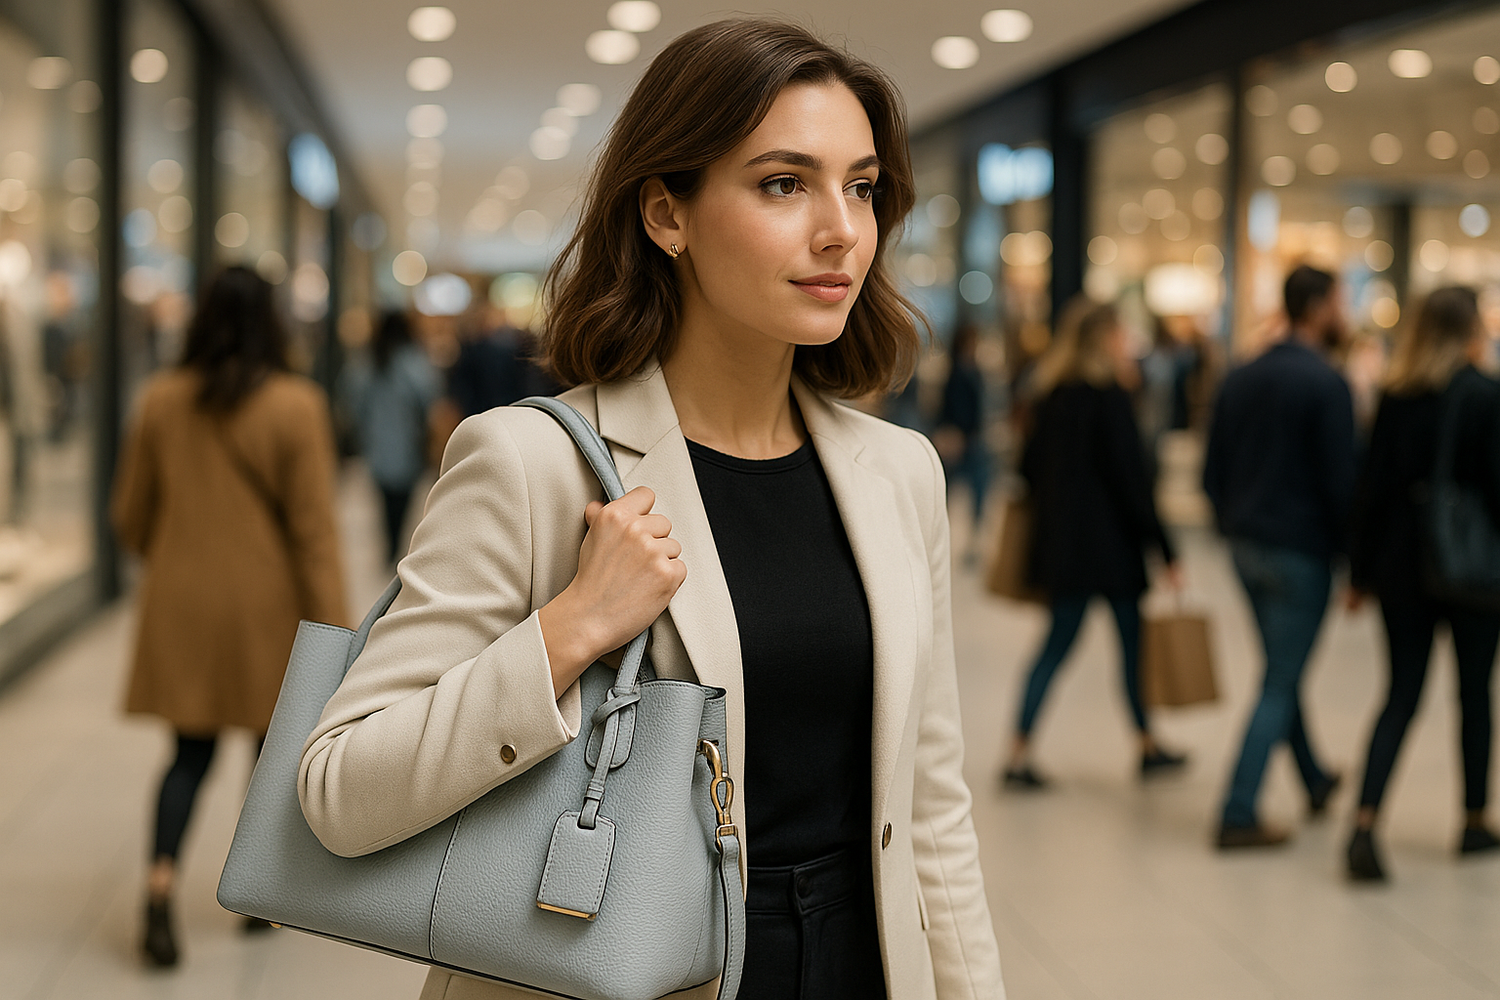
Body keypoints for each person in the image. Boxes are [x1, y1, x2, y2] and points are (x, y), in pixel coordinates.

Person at [295, 20, 1002, 1000]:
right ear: (667, 214)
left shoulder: (899, 472)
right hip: (622, 963)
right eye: (783, 183)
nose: (841, 227)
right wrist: (568, 630)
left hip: (862, 961)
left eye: (863, 185)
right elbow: (338, 789)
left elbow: (929, 809)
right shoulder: (533, 463)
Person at [111, 266, 347, 967]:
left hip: (180, 603)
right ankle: (253, 897)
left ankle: (158, 890)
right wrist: (337, 635)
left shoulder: (160, 401)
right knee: (268, 754)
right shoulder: (296, 405)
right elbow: (314, 536)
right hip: (264, 610)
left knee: (186, 755)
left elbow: (130, 518)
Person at [1345, 286, 1500, 880]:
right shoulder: (1484, 396)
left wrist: (1359, 573)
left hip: (1402, 567)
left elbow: (1370, 491)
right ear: (1471, 332)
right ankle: (1475, 819)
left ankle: (1364, 821)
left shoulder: (1396, 395)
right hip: (1473, 570)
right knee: (1475, 694)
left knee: (1401, 693)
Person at [1002, 297, 1186, 788]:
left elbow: (1025, 471)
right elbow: (1133, 482)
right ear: (1103, 338)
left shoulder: (1046, 395)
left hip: (1064, 547)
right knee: (1131, 647)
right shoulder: (1110, 397)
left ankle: (1018, 752)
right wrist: (1165, 550)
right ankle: (1147, 746)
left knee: (1055, 646)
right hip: (1113, 549)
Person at [1203, 264, 1353, 849]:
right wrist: (1352, 559)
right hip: (1300, 551)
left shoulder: (1242, 374)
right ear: (1317, 308)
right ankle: (1238, 811)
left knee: (1280, 668)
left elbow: (1214, 466)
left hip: (1247, 545)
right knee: (1279, 679)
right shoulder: (1326, 383)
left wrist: (1230, 522)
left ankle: (1313, 777)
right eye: (1340, 301)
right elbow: (1342, 484)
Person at [339, 310, 441, 564]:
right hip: (408, 447)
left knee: (385, 501)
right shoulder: (413, 362)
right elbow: (429, 398)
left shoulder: (368, 362)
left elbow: (352, 399)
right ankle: (395, 546)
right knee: (402, 502)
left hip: (376, 447)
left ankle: (390, 544)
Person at [934, 323, 990, 563]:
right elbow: (951, 408)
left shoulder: (970, 369)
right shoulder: (958, 371)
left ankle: (971, 545)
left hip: (972, 439)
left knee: (972, 493)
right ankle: (948, 543)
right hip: (962, 440)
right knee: (952, 493)